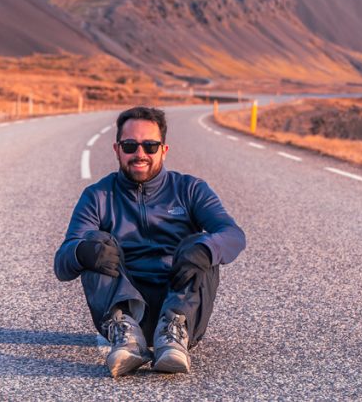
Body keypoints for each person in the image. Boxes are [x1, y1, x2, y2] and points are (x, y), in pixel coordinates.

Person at [54, 106, 246, 377]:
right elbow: (62, 263)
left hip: (182, 309)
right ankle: (127, 338)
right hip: (124, 308)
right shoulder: (97, 196)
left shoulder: (190, 189)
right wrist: (83, 252)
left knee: (203, 245)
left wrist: (206, 249)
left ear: (164, 150)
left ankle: (173, 337)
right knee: (93, 242)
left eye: (150, 146)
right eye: (130, 145)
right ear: (117, 149)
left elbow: (233, 235)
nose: (140, 154)